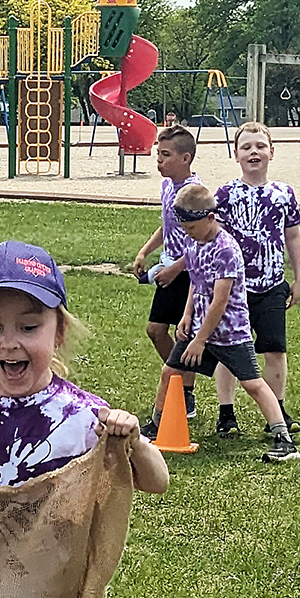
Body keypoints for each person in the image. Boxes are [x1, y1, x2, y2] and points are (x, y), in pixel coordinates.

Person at [0, 241, 169, 493]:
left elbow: (157, 482)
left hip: (55, 537)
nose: (10, 343)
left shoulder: (81, 417)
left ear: (59, 332)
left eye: (29, 327)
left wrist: (134, 444)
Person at [147, 186, 300, 463]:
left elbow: (220, 301)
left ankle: (283, 439)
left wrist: (200, 340)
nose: (188, 232)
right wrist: (186, 316)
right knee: (169, 371)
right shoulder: (193, 243)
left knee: (252, 384)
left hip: (229, 332)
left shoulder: (226, 250)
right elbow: (195, 282)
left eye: (192, 226)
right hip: (199, 329)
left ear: (210, 217)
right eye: (184, 227)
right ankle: (156, 425)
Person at [212, 122, 300, 437]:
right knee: (230, 351)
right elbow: (213, 238)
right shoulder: (226, 194)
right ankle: (226, 413)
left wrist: (299, 276)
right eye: (247, 147)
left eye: (260, 146)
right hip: (234, 290)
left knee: (275, 349)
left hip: (271, 286)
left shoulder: (283, 194)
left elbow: (293, 235)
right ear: (236, 154)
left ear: (272, 152)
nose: (254, 152)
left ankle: (276, 409)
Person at [131, 125, 199, 420]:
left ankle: (185, 392)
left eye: (166, 155)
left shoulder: (194, 194)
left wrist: (175, 268)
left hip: (189, 272)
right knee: (156, 330)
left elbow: (203, 242)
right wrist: (145, 251)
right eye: (158, 154)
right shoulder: (166, 187)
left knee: (182, 334)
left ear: (185, 158)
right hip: (169, 266)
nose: (159, 161)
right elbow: (167, 225)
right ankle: (182, 385)